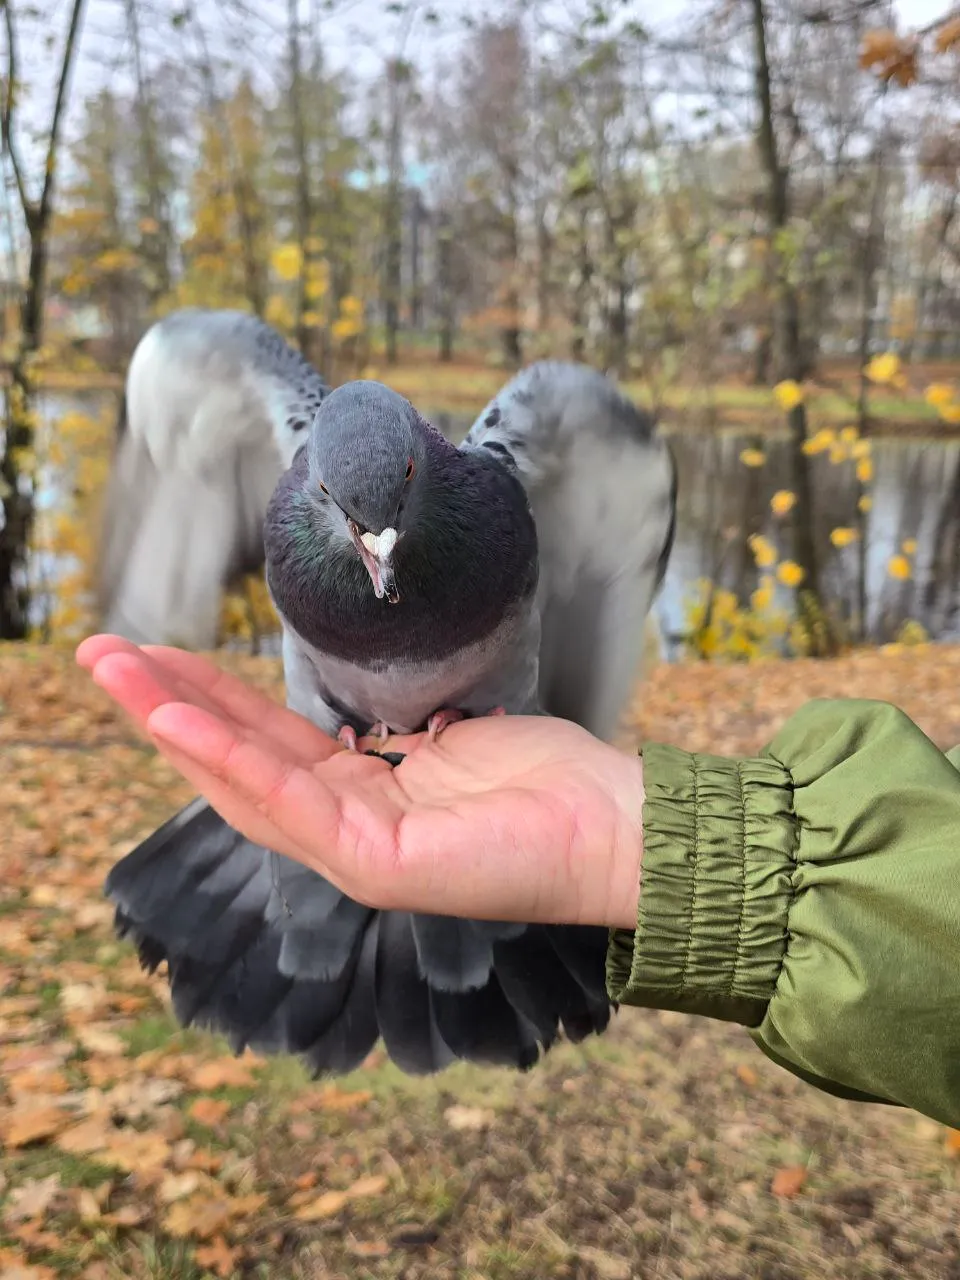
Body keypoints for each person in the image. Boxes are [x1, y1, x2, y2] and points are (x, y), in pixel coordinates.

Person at [76, 634, 960, 1128]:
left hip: (482, 745)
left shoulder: (501, 472)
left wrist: (628, 841)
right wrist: (657, 843)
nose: (378, 558)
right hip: (347, 738)